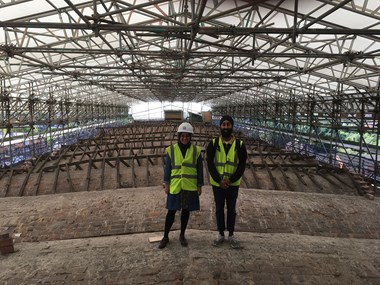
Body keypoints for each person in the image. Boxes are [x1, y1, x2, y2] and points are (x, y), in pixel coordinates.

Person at [158, 122, 204, 249]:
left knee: (185, 211)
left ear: (190, 137)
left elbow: (200, 169)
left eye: (187, 136)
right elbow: (168, 169)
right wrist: (166, 183)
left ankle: (182, 235)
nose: (185, 138)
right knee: (171, 212)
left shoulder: (196, 151)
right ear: (179, 136)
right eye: (182, 136)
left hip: (189, 186)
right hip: (175, 185)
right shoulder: (172, 150)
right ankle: (165, 236)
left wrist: (199, 185)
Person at [206, 115, 247, 248]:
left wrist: (230, 180)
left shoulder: (240, 145)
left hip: (232, 184)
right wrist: (219, 180)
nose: (226, 127)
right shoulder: (213, 144)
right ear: (220, 126)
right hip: (217, 184)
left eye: (228, 124)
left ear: (232, 126)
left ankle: (231, 234)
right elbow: (210, 164)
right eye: (223, 124)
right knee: (218, 208)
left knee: (231, 209)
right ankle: (220, 233)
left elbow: (241, 165)